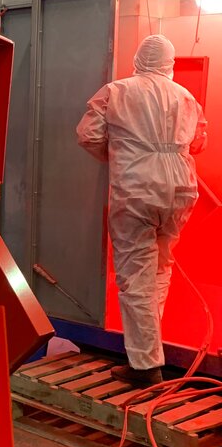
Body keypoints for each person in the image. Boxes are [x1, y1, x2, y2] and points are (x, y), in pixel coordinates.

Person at [76, 35, 208, 387]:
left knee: (135, 275)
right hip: (181, 189)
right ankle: (148, 349)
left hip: (136, 188)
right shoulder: (186, 97)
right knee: (160, 267)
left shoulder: (116, 91)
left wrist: (123, 155)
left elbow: (88, 135)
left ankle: (145, 366)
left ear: (137, 59)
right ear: (170, 62)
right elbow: (199, 142)